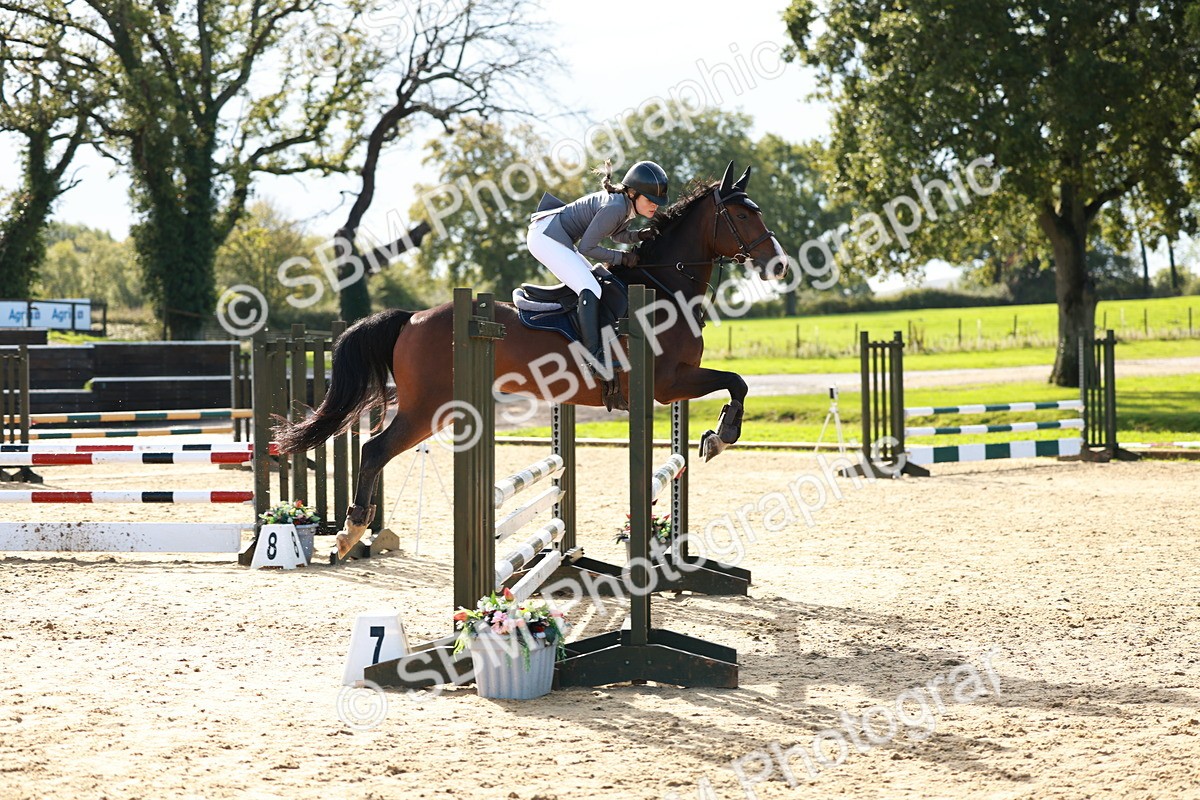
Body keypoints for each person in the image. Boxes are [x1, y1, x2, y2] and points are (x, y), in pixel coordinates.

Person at [526, 160, 668, 375]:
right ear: (632, 193)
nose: (654, 205)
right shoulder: (615, 207)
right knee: (591, 288)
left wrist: (638, 235)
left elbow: (616, 234)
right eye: (650, 200)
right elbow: (587, 247)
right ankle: (593, 357)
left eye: (657, 201)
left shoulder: (624, 206)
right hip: (545, 237)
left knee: (595, 281)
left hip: (557, 234)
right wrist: (622, 258)